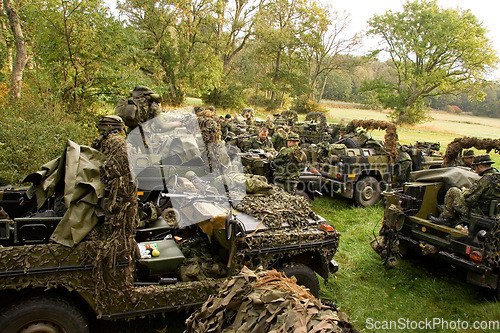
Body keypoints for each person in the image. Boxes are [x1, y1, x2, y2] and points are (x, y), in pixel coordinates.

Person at [430, 154, 500, 226]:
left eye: (475, 167)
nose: (475, 171)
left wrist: (464, 191)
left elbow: (468, 198)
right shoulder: (497, 177)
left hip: (478, 213)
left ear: (480, 166)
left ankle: (446, 218)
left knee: (453, 191)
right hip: (492, 213)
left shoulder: (485, 180)